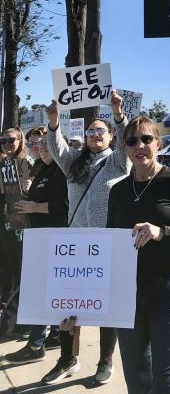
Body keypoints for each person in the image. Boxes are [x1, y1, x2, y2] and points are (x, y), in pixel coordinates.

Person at [107, 115, 170, 394]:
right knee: (137, 381)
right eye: (132, 141)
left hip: (168, 292)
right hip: (128, 296)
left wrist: (162, 232)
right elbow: (107, 246)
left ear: (158, 143)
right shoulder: (118, 191)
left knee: (166, 383)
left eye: (146, 139)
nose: (139, 146)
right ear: (124, 147)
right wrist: (82, 307)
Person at [42, 92, 128, 386]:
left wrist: (118, 114)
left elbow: (127, 143)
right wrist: (53, 121)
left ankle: (105, 360)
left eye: (100, 131)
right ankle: (67, 358)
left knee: (105, 306)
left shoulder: (118, 162)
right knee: (69, 305)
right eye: (90, 132)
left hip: (106, 244)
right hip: (76, 244)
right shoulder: (73, 162)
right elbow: (56, 147)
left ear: (111, 135)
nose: (94, 135)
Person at [4, 127, 68, 364]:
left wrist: (34, 207)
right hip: (39, 237)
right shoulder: (42, 168)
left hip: (53, 239)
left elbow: (65, 205)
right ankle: (51, 336)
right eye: (35, 144)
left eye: (44, 143)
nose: (39, 148)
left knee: (41, 291)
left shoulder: (62, 170)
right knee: (44, 291)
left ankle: (36, 345)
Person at [0, 127, 32, 313]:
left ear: (21, 141)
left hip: (24, 223)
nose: (6, 144)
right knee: (8, 263)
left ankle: (21, 306)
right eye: (3, 141)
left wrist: (29, 186)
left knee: (21, 265)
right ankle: (9, 304)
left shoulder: (27, 162)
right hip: (6, 222)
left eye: (10, 140)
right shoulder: (4, 164)